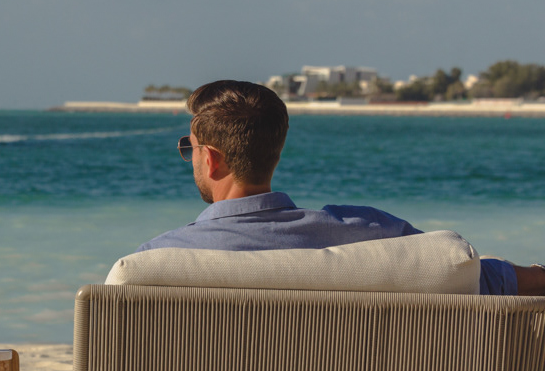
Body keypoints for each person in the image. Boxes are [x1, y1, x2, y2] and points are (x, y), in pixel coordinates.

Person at [140, 79, 545, 295]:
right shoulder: (374, 233)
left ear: (212, 159)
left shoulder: (155, 262)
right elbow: (468, 274)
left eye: (189, 148)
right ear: (275, 151)